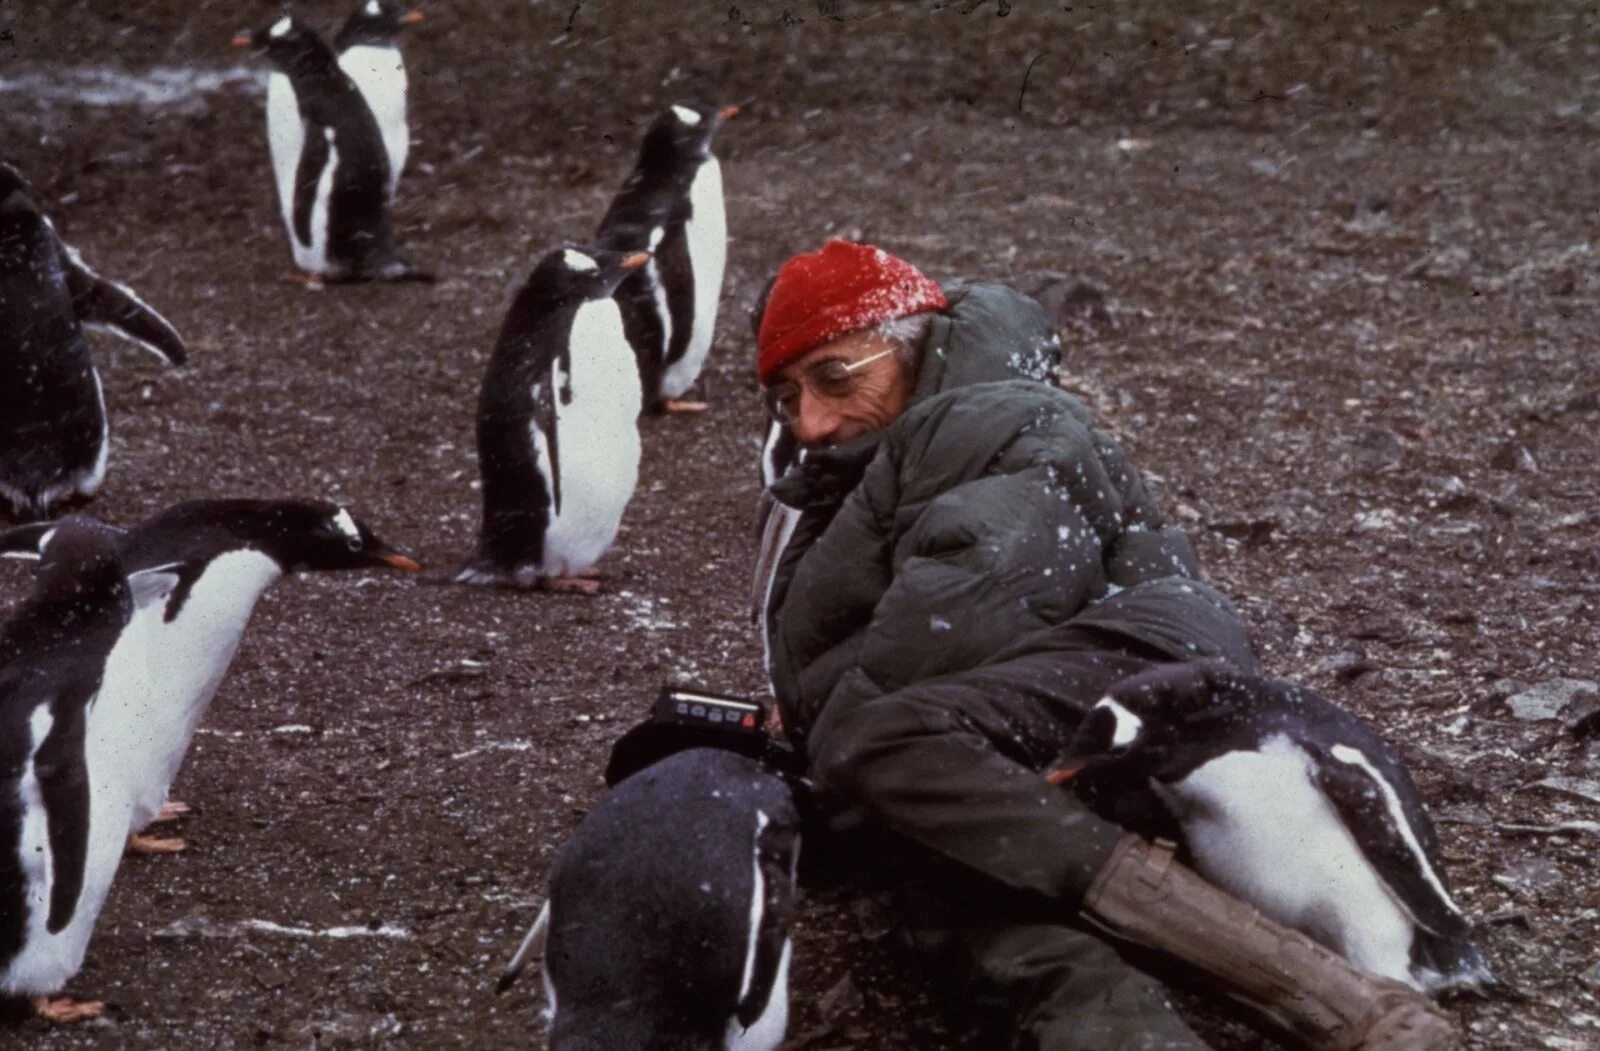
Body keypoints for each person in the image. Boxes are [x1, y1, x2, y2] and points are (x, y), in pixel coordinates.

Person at [750, 240, 1457, 1051]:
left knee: (891, 753)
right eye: (785, 397)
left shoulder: (998, 418)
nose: (810, 419)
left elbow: (952, 630)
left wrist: (830, 762)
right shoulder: (870, 461)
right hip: (1016, 717)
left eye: (837, 376)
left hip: (1138, 678)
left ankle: (1347, 999)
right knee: (996, 921)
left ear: (912, 348)